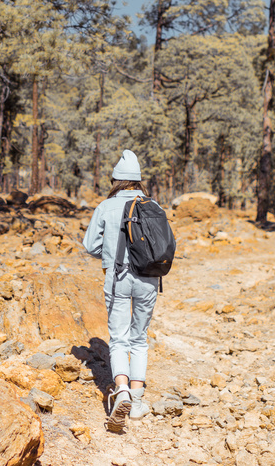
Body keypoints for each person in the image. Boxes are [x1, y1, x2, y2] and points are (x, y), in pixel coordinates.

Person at [81, 149, 157, 432]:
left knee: (119, 338)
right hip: (149, 278)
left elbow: (90, 246)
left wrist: (109, 254)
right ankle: (136, 403)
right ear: (138, 180)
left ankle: (121, 389)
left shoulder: (106, 206)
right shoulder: (153, 205)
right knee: (139, 339)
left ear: (116, 180)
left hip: (118, 277)